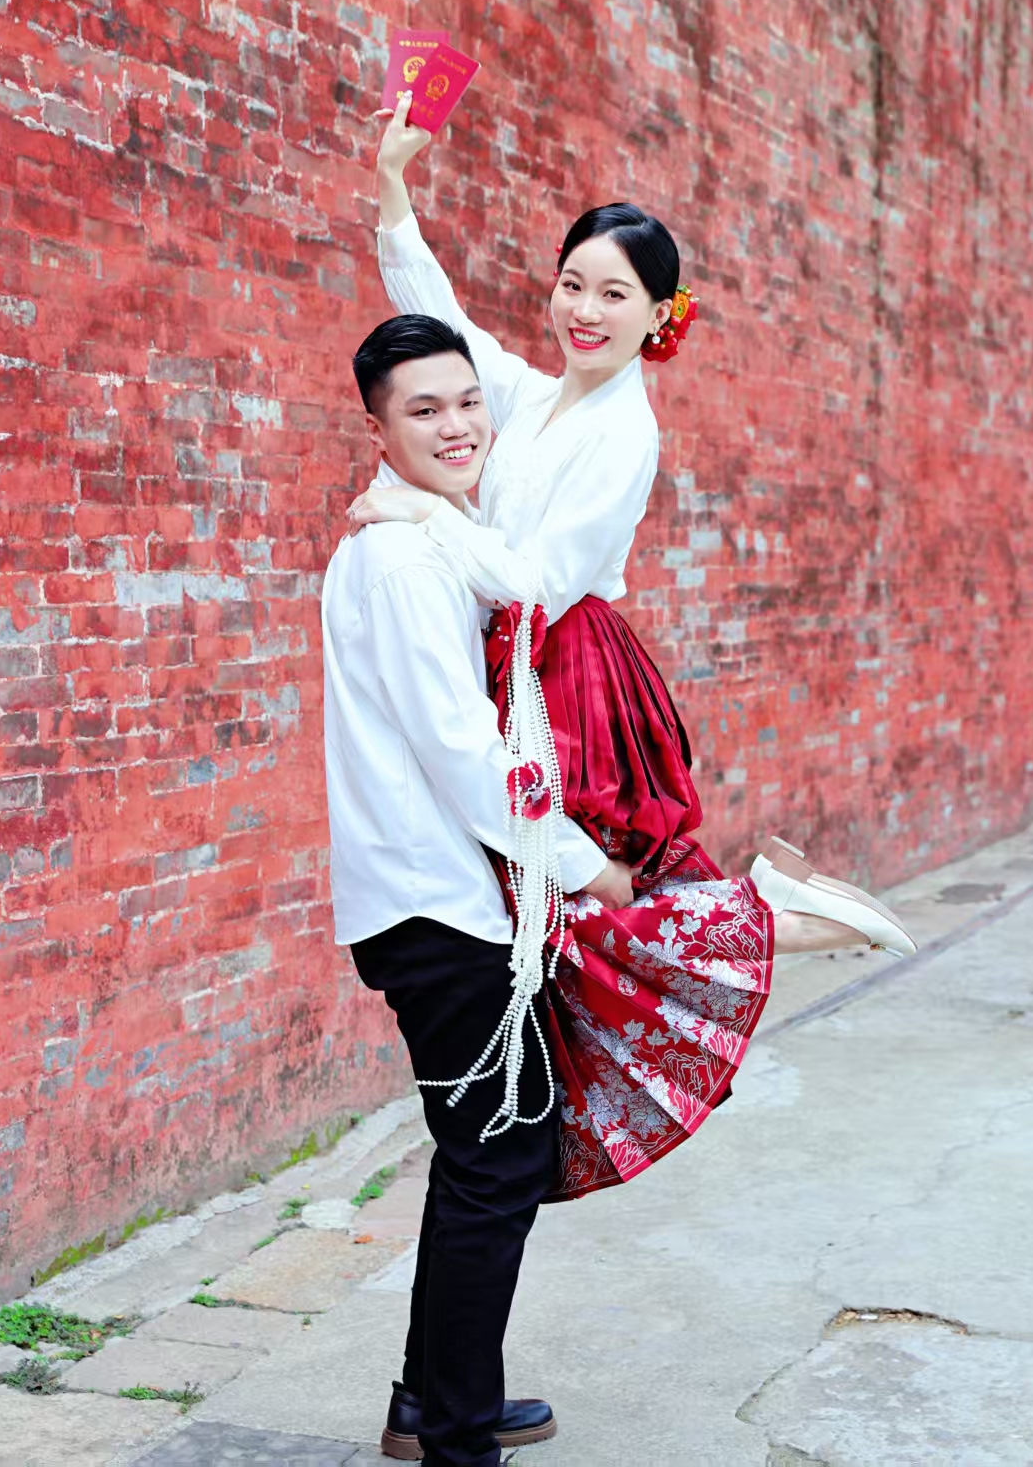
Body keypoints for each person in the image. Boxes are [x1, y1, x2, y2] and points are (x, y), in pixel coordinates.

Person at [347, 93, 918, 1201]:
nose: (585, 309)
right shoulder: (540, 398)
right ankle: (772, 910)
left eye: (614, 295)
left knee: (582, 896)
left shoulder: (624, 433)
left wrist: (422, 513)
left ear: (660, 314)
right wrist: (392, 188)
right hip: (528, 660)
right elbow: (442, 320)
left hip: (567, 665)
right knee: (564, 905)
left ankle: (779, 923)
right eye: (572, 283)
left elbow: (535, 581)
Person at [321, 313, 635, 1466]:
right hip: (436, 906)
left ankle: (433, 1400)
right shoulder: (402, 559)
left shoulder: (429, 536)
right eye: (423, 410)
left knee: (484, 1156)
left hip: (439, 900)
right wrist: (584, 865)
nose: (456, 426)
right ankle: (454, 1438)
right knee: (499, 1160)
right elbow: (466, 757)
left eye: (466, 402)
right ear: (378, 431)